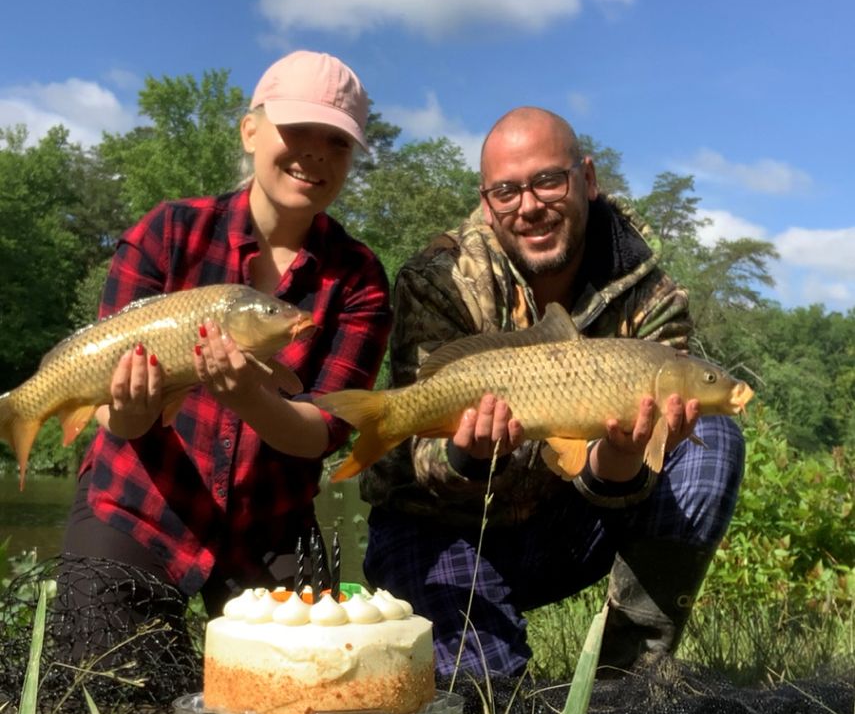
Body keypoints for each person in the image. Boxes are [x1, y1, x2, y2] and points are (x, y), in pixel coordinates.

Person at [360, 106, 745, 678]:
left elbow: (613, 478)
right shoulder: (440, 277)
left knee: (714, 436)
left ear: (586, 178)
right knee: (488, 696)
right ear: (487, 202)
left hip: (560, 528)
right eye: (507, 191)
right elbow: (416, 464)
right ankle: (488, 656)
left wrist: (618, 458)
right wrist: (468, 453)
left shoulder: (652, 297)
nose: (530, 206)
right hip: (439, 528)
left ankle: (626, 675)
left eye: (548, 181)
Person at [57, 50, 392, 666]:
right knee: (108, 688)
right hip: (139, 502)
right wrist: (130, 408)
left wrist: (249, 398)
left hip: (271, 525)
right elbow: (113, 416)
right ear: (250, 130)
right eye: (297, 130)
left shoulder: (359, 278)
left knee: (309, 686)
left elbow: (324, 431)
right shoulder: (167, 232)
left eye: (337, 142)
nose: (316, 154)